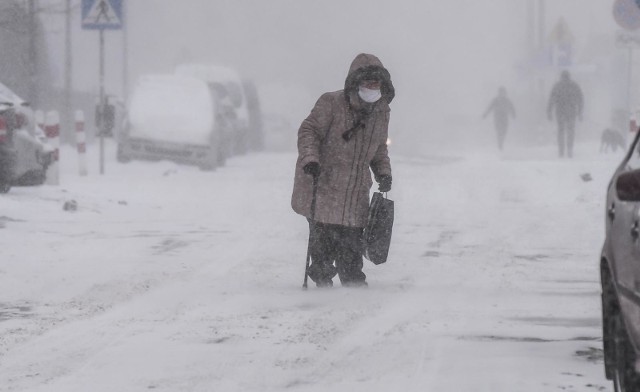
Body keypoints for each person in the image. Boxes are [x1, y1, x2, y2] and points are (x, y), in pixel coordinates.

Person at [291, 53, 395, 288]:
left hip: (356, 190)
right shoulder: (331, 103)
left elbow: (379, 148)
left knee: (351, 245)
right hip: (326, 184)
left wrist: (383, 172)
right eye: (368, 83)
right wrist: (310, 158)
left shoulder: (381, 112)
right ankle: (322, 278)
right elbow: (309, 131)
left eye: (376, 84)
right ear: (355, 83)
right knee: (324, 242)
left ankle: (353, 288)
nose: (372, 88)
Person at [547, 70, 584, 158]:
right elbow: (580, 99)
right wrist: (580, 112)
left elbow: (551, 100)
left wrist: (549, 112)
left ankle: (561, 150)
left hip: (560, 112)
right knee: (570, 131)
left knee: (561, 131)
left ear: (561, 77)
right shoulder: (574, 86)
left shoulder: (557, 86)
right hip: (571, 112)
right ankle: (569, 149)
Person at [483, 87, 516, 151]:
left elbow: (512, 108)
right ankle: (500, 144)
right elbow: (490, 107)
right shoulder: (495, 100)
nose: (502, 94)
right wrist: (485, 114)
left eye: (503, 92)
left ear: (505, 93)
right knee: (499, 131)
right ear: (499, 93)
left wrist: (513, 115)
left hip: (505, 118)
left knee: (504, 131)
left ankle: (501, 142)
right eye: (501, 92)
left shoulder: (507, 101)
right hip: (497, 118)